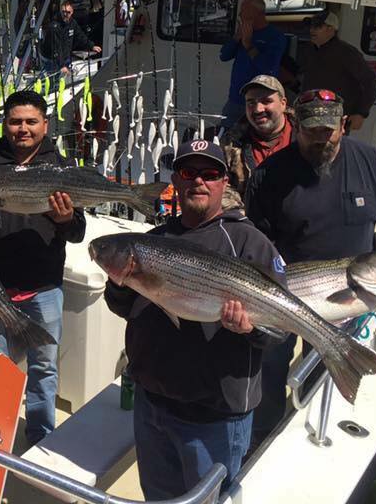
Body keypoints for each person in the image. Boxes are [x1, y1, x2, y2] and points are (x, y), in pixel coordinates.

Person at [244, 89, 376, 445]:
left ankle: (308, 435)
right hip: (282, 293)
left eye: (329, 130)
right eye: (312, 130)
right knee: (267, 375)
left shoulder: (374, 162)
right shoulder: (268, 176)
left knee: (327, 377)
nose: (322, 138)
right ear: (295, 124)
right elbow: (253, 241)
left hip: (352, 297)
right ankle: (261, 439)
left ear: (344, 125)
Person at [105, 140, 289, 498]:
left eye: (210, 173)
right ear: (177, 179)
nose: (199, 182)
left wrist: (249, 329)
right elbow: (128, 309)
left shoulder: (249, 242)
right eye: (189, 172)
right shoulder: (154, 239)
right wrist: (121, 285)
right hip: (151, 404)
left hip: (214, 415)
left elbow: (279, 327)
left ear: (224, 182)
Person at [0, 89, 86, 445]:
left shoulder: (61, 168)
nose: (22, 129)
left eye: (31, 121)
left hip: (44, 285)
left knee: (44, 367)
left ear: (45, 125)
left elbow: (77, 234)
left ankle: (42, 436)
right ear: (5, 124)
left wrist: (66, 218)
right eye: (15, 121)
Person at [219, 75, 296, 210]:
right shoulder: (231, 143)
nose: (258, 109)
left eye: (266, 101)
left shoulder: (305, 136)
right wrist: (242, 222)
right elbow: (223, 187)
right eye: (251, 102)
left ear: (283, 103)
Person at [299, 11, 376, 131]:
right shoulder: (309, 50)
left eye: (317, 26)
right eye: (311, 26)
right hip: (310, 114)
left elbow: (371, 81)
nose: (312, 30)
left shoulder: (346, 53)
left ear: (331, 29)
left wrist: (361, 113)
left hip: (335, 118)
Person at [218, 0, 286, 128]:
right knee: (227, 136)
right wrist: (236, 38)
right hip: (236, 99)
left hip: (260, 102)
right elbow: (224, 56)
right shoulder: (242, 33)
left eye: (244, 12)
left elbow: (269, 69)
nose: (240, 15)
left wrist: (249, 46)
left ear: (257, 14)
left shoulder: (275, 37)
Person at [39, 0, 102, 72]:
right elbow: (56, 48)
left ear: (72, 12)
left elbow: (80, 36)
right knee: (53, 80)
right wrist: (61, 66)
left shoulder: (72, 23)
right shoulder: (54, 26)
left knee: (66, 78)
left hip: (65, 56)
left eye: (68, 12)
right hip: (51, 59)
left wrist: (91, 46)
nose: (65, 14)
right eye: (63, 12)